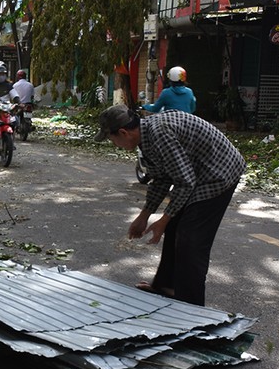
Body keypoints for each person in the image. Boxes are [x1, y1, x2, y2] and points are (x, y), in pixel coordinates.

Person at [95, 104, 245, 306]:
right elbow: (162, 179)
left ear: (123, 133)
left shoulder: (160, 135)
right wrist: (144, 216)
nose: (114, 144)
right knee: (175, 227)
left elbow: (185, 182)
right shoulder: (145, 138)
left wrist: (163, 220)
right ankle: (166, 286)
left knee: (191, 240)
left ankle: (191, 307)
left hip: (218, 173)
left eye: (112, 140)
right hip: (198, 171)